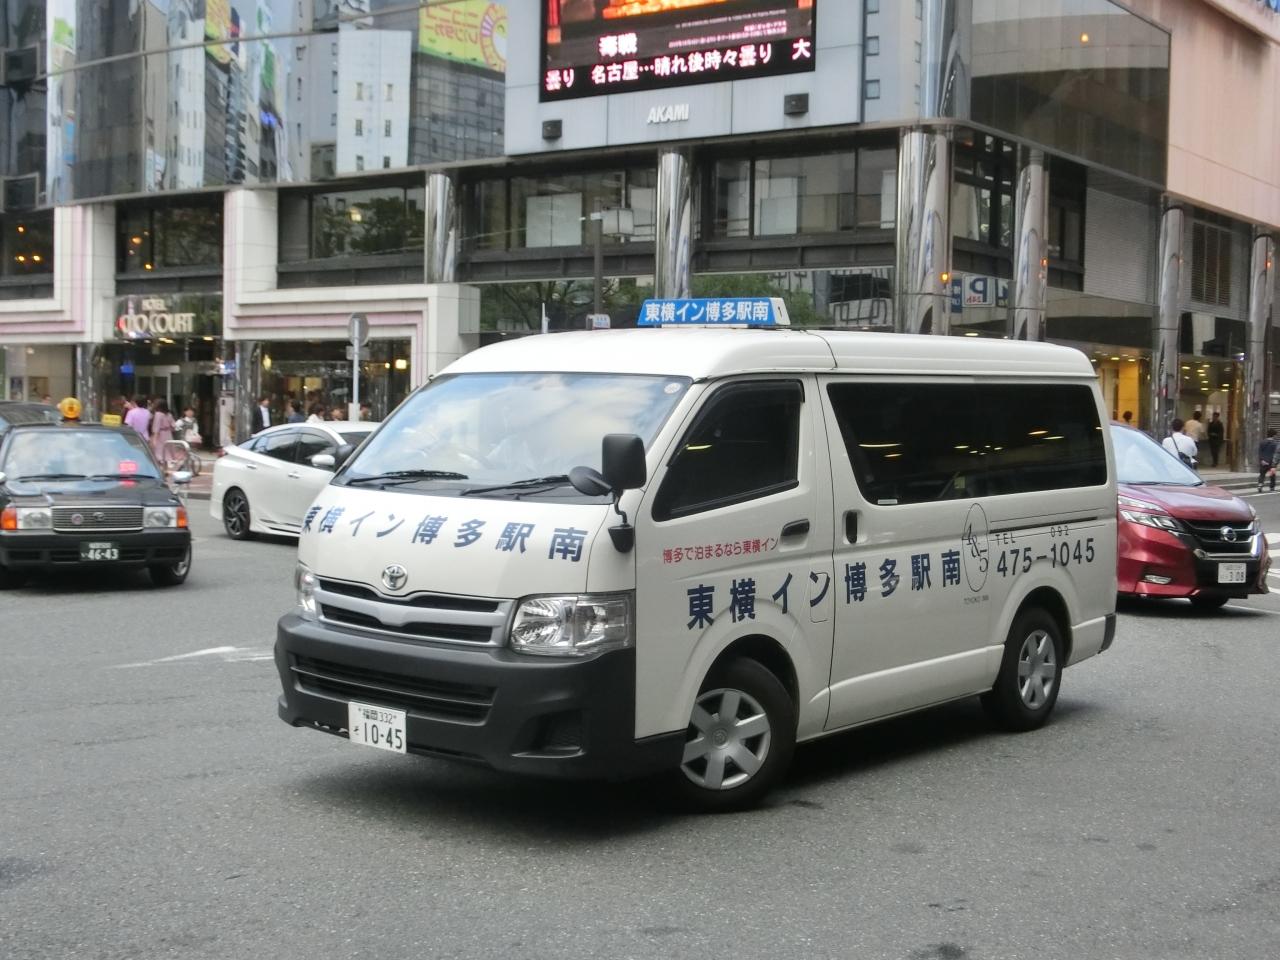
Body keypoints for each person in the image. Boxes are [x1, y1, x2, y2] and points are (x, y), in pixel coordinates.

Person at [1259, 428, 1279, 493]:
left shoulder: (1262, 442)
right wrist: (1275, 463)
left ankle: (1260, 485)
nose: (1276, 436)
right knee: (1272, 475)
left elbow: (1260, 452)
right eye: (1276, 435)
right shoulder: (1275, 443)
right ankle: (1272, 488)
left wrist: (1262, 460)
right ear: (1274, 435)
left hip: (1263, 461)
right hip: (1271, 461)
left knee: (1262, 474)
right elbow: (1276, 453)